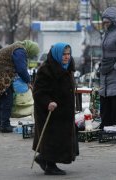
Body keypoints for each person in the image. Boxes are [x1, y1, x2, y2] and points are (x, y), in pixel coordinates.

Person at [32, 42, 79, 175]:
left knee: (61, 136)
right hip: (50, 110)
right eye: (64, 54)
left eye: (68, 54)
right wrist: (48, 102)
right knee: (51, 137)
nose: (66, 57)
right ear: (57, 54)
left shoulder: (68, 67)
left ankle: (44, 159)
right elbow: (38, 91)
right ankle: (50, 165)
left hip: (63, 111)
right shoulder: (46, 69)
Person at [0, 40, 39, 133]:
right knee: (7, 99)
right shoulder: (20, 50)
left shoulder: (17, 47)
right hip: (0, 72)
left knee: (0, 98)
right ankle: (5, 126)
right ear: (31, 50)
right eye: (33, 54)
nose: (31, 56)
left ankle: (2, 124)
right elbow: (21, 69)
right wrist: (28, 81)